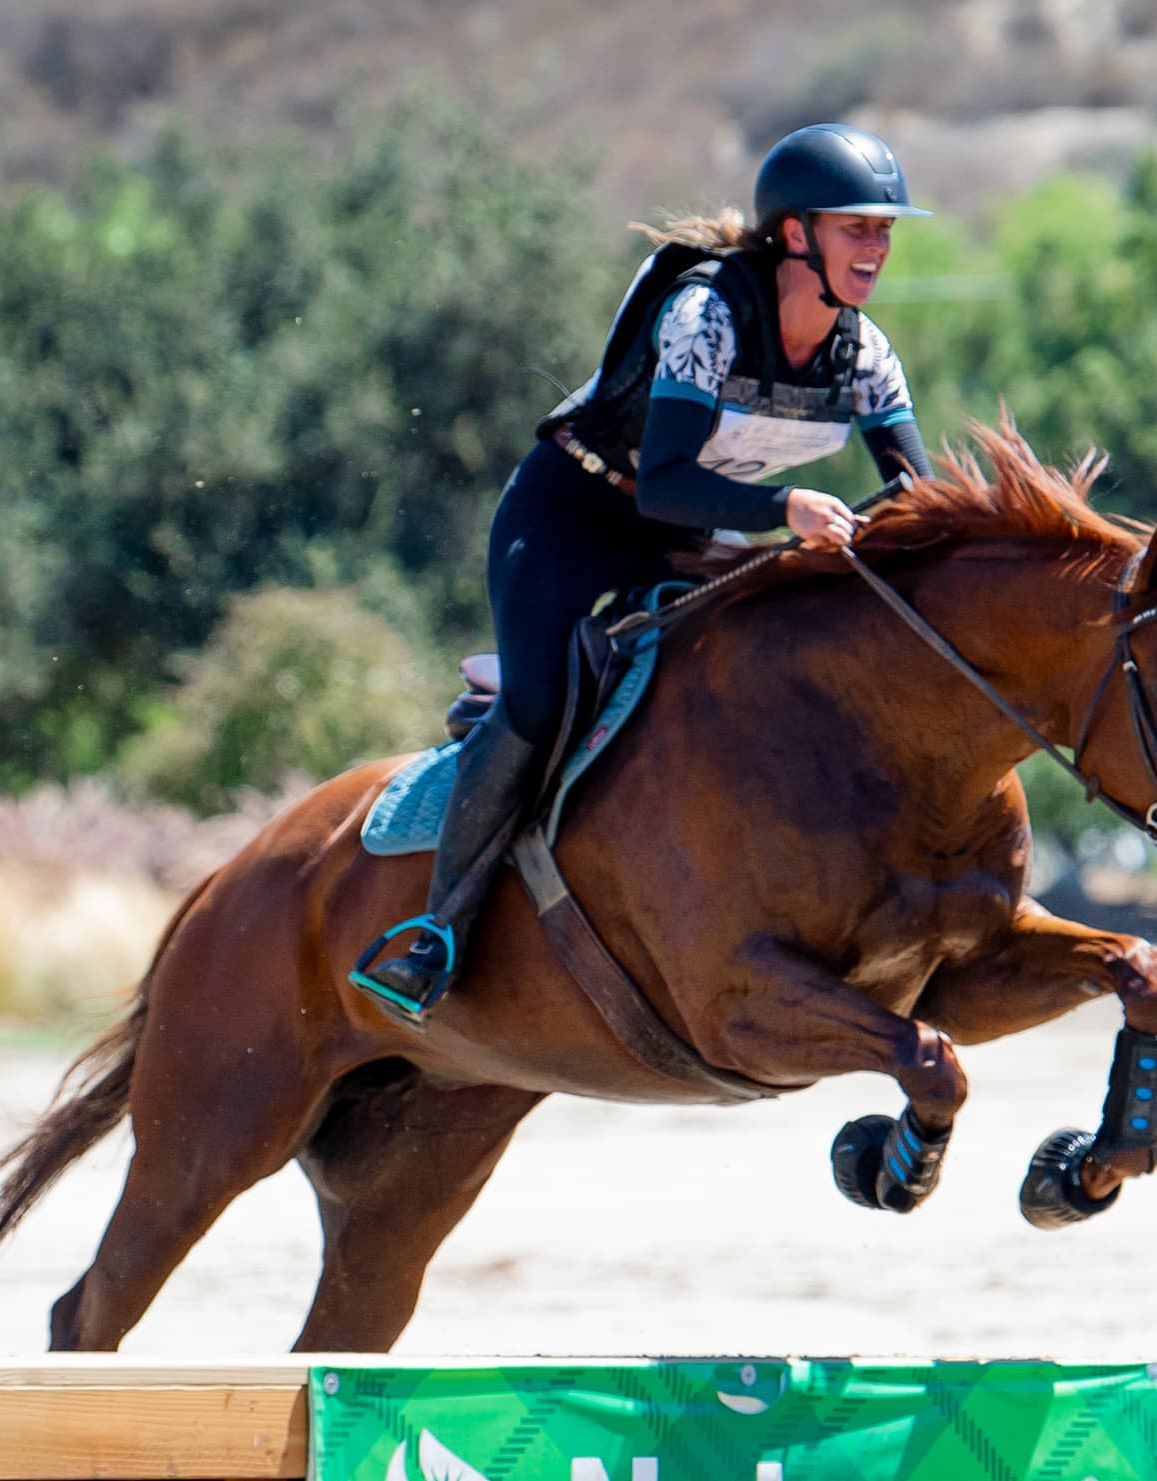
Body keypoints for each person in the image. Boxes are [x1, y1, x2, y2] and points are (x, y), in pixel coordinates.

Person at [351, 123, 938, 1020]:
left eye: (884, 230)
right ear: (794, 236)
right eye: (854, 227)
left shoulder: (866, 353)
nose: (877, 247)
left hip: (687, 531)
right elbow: (662, 479)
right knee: (541, 702)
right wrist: (788, 510)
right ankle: (439, 928)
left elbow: (914, 490)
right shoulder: (706, 312)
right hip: (570, 518)